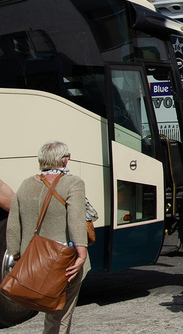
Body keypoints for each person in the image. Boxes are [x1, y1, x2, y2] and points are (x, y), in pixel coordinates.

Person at [7, 141, 90, 333]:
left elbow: (13, 224)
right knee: (59, 315)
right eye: (67, 156)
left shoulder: (26, 184)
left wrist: (16, 255)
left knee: (52, 313)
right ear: (63, 160)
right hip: (62, 260)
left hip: (32, 259)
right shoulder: (73, 183)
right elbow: (75, 219)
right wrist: (82, 253)